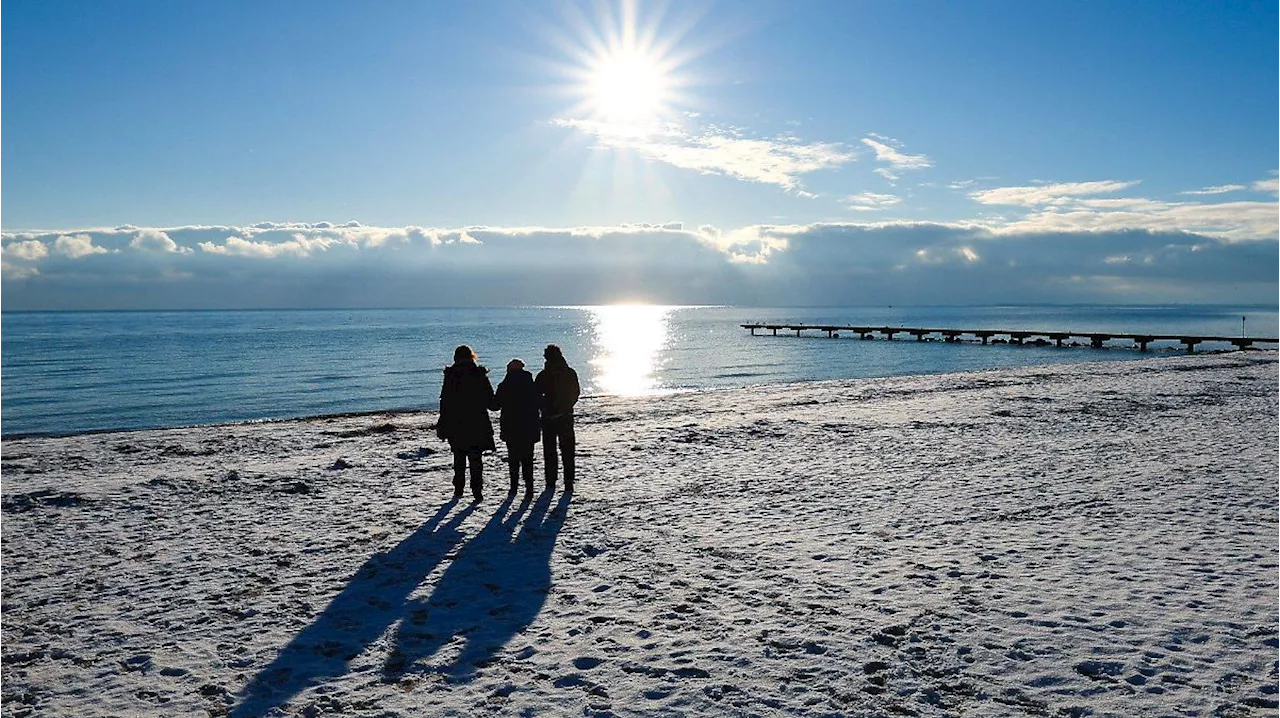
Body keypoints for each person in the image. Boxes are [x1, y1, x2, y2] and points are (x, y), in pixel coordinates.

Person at [436, 345, 496, 501]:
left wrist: (442, 424)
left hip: (456, 423)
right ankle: (477, 491)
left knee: (459, 457)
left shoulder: (451, 375)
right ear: (472, 357)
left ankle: (458, 489)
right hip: (477, 422)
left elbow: (445, 402)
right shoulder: (479, 374)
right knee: (476, 459)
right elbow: (491, 402)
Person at [535, 344, 580, 491]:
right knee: (567, 450)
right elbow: (575, 393)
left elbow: (536, 396)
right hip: (565, 415)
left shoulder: (543, 375)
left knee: (550, 450)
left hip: (549, 417)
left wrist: (545, 407)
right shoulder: (569, 372)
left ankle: (551, 480)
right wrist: (565, 406)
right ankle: (569, 480)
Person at [494, 358, 541, 497]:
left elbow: (495, 406)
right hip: (529, 426)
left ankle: (514, 487)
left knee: (513, 458)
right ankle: (529, 488)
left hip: (511, 426)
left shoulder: (504, 385)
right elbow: (540, 402)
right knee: (528, 459)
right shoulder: (531, 384)